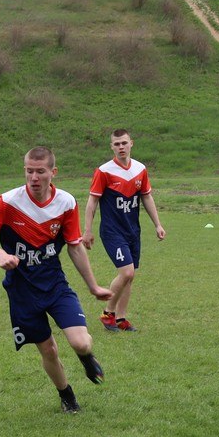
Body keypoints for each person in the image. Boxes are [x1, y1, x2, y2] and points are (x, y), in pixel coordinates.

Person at [0, 146, 110, 414]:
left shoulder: (66, 203)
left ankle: (85, 358)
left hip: (55, 285)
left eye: (40, 171)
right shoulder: (9, 202)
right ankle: (67, 396)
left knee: (81, 342)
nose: (33, 177)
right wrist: (0, 254)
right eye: (29, 171)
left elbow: (74, 246)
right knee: (48, 350)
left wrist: (93, 286)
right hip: (22, 291)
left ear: (52, 172)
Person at [82, 129, 166, 333]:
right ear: (111, 146)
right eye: (117, 144)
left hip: (132, 231)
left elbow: (146, 197)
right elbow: (92, 201)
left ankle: (121, 319)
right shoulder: (104, 171)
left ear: (131, 144)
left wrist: (157, 224)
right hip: (112, 231)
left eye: (124, 143)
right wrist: (87, 230)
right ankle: (108, 313)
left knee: (130, 276)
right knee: (126, 271)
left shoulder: (140, 169)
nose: (121, 147)